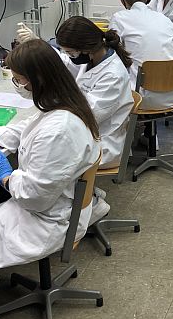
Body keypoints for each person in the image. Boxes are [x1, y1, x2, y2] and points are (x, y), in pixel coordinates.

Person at [0, 39, 101, 299]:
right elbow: (25, 129)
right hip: (53, 197)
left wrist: (6, 176)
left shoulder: (59, 130)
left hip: (48, 216)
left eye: (19, 79)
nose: (17, 85)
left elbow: (34, 198)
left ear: (38, 79)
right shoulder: (62, 103)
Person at [54, 16, 134, 223]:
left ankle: (92, 205)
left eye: (72, 52)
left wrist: (57, 105)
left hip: (103, 143)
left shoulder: (112, 74)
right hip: (89, 133)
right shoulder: (94, 59)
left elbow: (88, 116)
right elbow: (68, 65)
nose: (70, 57)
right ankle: (88, 196)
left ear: (86, 48)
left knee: (52, 156)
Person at [108, 0, 173, 111]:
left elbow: (112, 54)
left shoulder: (119, 18)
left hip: (141, 98)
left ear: (122, 0)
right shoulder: (164, 19)